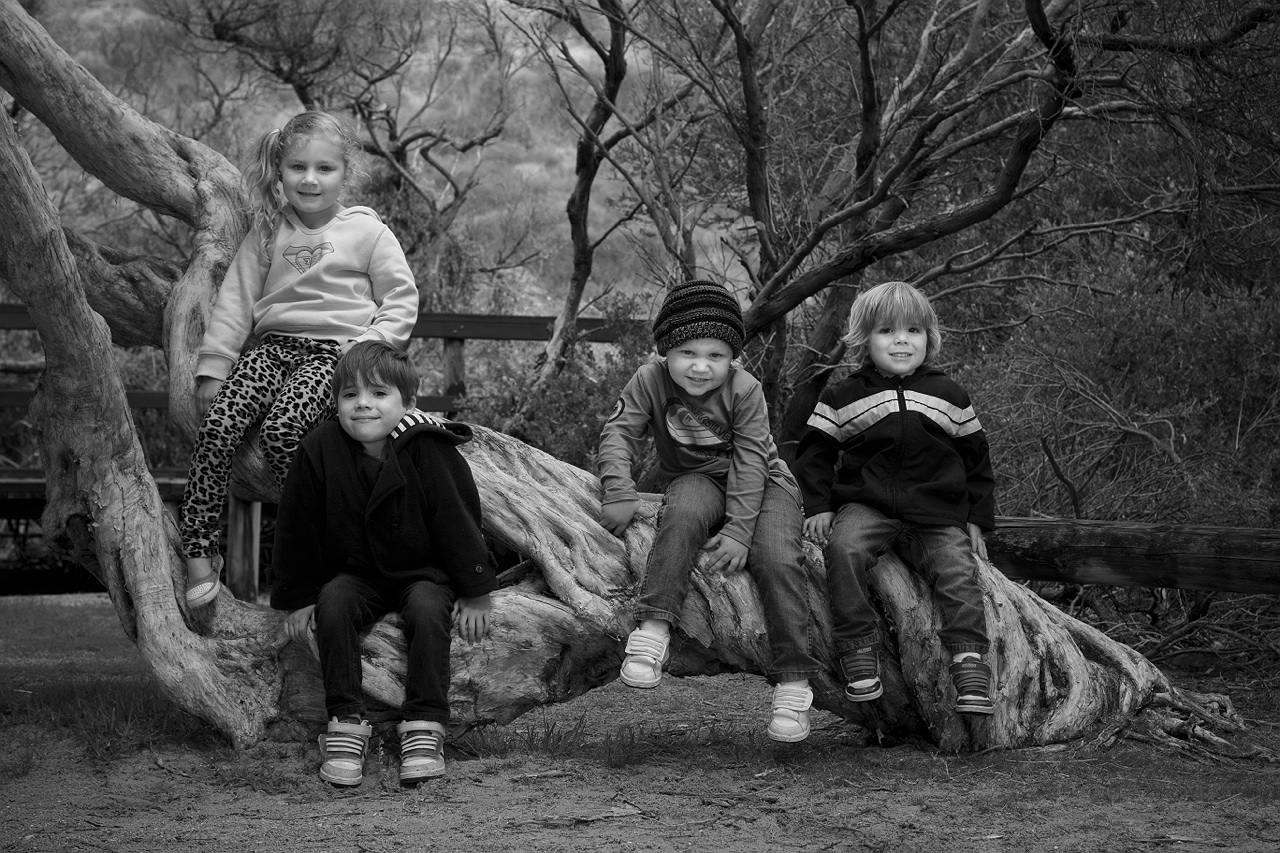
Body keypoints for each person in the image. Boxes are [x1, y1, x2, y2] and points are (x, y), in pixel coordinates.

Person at [181, 110, 418, 608]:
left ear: (345, 173)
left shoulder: (367, 232)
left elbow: (400, 296)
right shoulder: (267, 231)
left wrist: (367, 348)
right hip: (273, 348)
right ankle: (200, 549)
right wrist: (214, 366)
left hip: (335, 353)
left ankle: (314, 549)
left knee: (285, 430)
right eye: (297, 167)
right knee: (220, 423)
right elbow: (236, 300)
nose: (310, 179)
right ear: (280, 170)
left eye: (324, 168)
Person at [598, 279, 820, 743]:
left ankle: (795, 681)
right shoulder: (649, 379)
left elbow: (751, 460)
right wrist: (619, 490)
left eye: (716, 355)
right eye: (687, 353)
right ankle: (654, 628)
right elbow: (619, 431)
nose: (701, 367)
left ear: (733, 357)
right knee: (682, 515)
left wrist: (740, 531)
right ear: (665, 352)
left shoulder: (745, 389)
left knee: (776, 556)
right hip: (698, 479)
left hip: (767, 483)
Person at [271, 341, 495, 786]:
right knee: (332, 604)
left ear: (407, 402)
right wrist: (297, 597)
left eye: (378, 394)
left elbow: (457, 518)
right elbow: (298, 526)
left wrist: (476, 591)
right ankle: (346, 723)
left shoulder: (428, 448)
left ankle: (425, 724)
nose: (363, 405)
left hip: (424, 571)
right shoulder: (319, 449)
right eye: (350, 395)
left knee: (429, 610)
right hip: (358, 572)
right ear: (335, 403)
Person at [791, 280, 997, 715]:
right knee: (843, 549)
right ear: (865, 339)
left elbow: (977, 460)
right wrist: (821, 506)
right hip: (868, 506)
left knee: (957, 571)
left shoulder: (951, 396)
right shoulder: (844, 395)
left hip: (937, 511)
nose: (901, 340)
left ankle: (970, 660)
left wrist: (978, 516)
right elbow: (813, 453)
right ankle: (858, 648)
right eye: (886, 330)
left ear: (929, 339)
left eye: (913, 331)